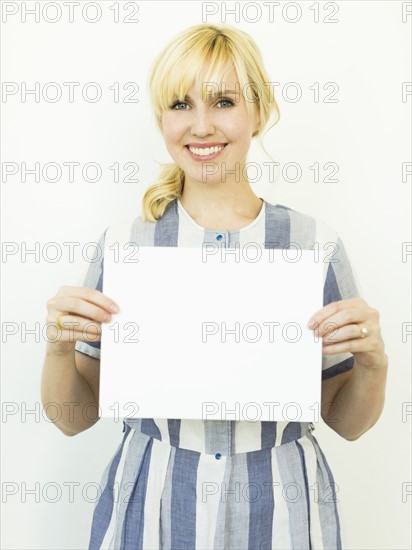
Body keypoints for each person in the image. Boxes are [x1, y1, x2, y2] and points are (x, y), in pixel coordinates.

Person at [41, 23, 388, 550]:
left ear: (259, 111)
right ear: (161, 117)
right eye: (180, 104)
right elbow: (74, 418)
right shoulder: (126, 243)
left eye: (223, 101)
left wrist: (374, 363)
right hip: (152, 506)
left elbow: (348, 422)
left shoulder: (312, 242)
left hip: (282, 510)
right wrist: (58, 348)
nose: (201, 127)